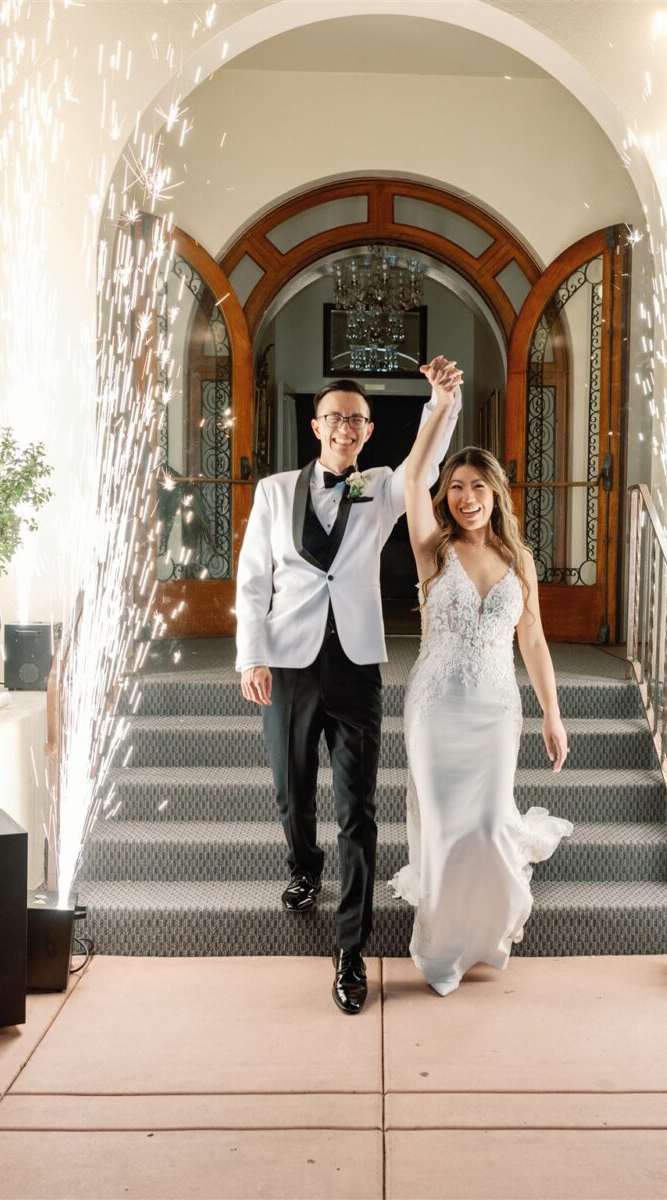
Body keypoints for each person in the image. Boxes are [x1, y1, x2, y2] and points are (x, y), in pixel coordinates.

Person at [234, 365, 459, 1014]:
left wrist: (443, 405)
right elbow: (253, 580)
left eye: (357, 419)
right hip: (287, 662)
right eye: (334, 417)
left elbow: (426, 463)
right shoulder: (276, 492)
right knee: (291, 786)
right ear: (316, 426)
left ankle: (350, 951)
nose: (345, 427)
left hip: (356, 663)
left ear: (368, 430)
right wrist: (251, 654)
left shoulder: (383, 487)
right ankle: (304, 868)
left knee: (357, 810)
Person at [388, 421, 572, 996]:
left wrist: (552, 712)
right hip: (436, 705)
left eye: (478, 488)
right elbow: (413, 476)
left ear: (496, 494)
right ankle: (442, 950)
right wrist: (439, 409)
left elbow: (534, 639)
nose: (467, 499)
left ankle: (485, 935)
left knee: (489, 823)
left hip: (495, 708)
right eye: (458, 487)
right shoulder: (431, 548)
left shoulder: (519, 559)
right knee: (445, 829)